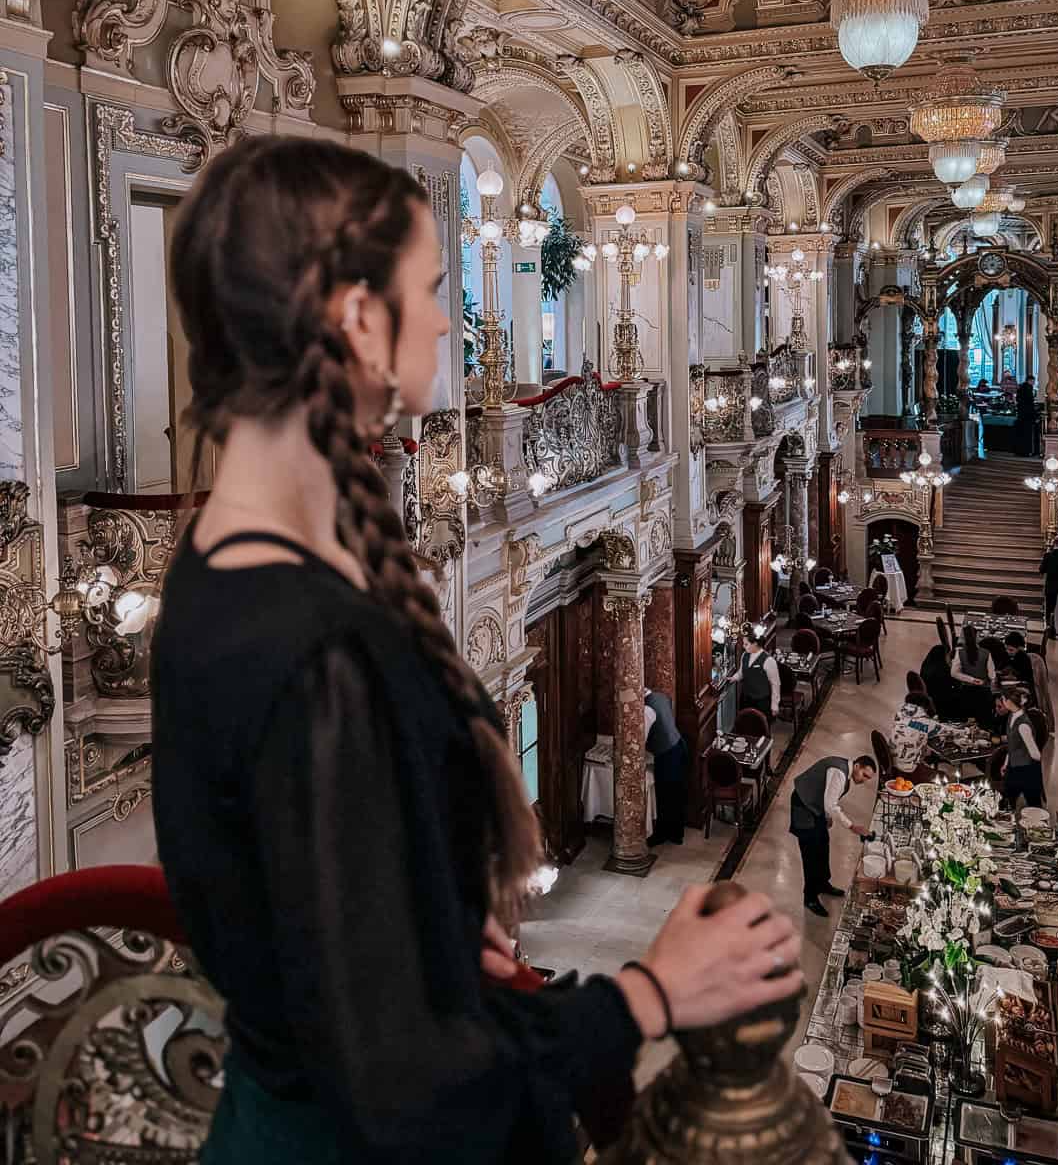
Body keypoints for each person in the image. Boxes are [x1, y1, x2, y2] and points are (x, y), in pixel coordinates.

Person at [150, 137, 803, 1163]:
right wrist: (653, 989)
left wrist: (435, 928)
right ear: (360, 320)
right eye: (437, 285)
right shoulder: (315, 651)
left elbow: (325, 944)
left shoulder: (226, 569)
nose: (456, 317)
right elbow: (414, 1092)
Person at [789, 754, 876, 916]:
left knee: (823, 845)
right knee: (811, 854)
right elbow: (830, 804)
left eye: (868, 778)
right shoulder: (839, 772)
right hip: (804, 806)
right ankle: (810, 898)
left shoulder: (845, 772)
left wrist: (827, 817)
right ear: (857, 766)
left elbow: (828, 797)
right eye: (864, 775)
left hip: (816, 808)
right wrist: (852, 826)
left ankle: (822, 883)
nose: (864, 780)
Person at [644, 689, 689, 848]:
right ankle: (677, 834)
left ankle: (663, 834)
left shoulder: (647, 709)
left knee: (665, 795)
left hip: (667, 754)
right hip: (678, 744)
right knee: (677, 792)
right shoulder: (661, 697)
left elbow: (640, 737)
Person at [1001, 687, 1044, 809]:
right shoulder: (1011, 717)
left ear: (1009, 701)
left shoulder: (1023, 725)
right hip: (1014, 767)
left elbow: (1035, 754)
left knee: (1034, 804)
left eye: (1003, 699)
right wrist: (1006, 763)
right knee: (1008, 800)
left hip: (1026, 770)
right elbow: (1011, 744)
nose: (1002, 701)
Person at [949, 622, 998, 726]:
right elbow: (991, 676)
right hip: (983, 694)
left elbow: (953, 673)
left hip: (966, 694)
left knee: (967, 723)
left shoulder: (959, 653)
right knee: (984, 723)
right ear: (977, 638)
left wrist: (971, 680)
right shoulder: (986, 653)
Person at [739, 631, 780, 721]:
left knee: (762, 729)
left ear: (755, 644)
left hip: (762, 701)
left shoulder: (769, 661)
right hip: (746, 699)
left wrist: (774, 704)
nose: (743, 646)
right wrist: (733, 678)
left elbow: (775, 684)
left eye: (746, 644)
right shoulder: (744, 655)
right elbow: (741, 673)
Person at [891, 693, 936, 773]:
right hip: (907, 769)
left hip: (893, 762)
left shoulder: (900, 716)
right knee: (942, 776)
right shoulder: (924, 723)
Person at [1015, 374, 1038, 457]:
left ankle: (1020, 451)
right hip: (1027, 415)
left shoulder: (1021, 388)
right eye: (1033, 381)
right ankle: (1026, 451)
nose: (1034, 383)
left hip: (1021, 414)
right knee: (1027, 434)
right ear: (1030, 381)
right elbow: (1030, 403)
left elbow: (1018, 400)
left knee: (1021, 434)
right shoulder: (1028, 389)